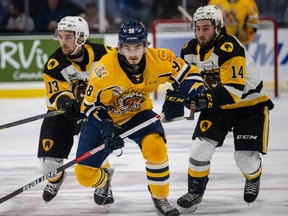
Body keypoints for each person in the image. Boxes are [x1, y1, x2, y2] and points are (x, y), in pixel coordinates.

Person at [74, 20, 203, 216]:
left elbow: (192, 76)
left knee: (156, 148)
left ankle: (160, 197)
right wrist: (106, 125)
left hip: (139, 115)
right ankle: (104, 179)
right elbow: (89, 106)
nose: (133, 53)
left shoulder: (160, 58)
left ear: (146, 46)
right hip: (106, 118)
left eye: (137, 47)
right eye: (127, 47)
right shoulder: (104, 70)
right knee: (83, 175)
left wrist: (183, 95)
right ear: (120, 47)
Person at [173, 5, 274, 214]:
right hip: (217, 105)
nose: (201, 33)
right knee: (199, 148)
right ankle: (195, 191)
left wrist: (203, 99)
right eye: (198, 28)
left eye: (206, 28)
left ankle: (253, 177)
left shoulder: (230, 47)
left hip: (249, 106)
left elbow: (234, 91)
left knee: (244, 159)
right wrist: (181, 98)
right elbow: (185, 82)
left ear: (218, 28)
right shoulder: (188, 50)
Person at [37, 16, 114, 203]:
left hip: (91, 111)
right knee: (47, 165)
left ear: (81, 37)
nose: (63, 42)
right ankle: (56, 179)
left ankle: (104, 181)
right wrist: (66, 102)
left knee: (95, 156)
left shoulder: (105, 54)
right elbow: (56, 92)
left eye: (68, 37)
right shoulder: (54, 63)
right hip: (62, 112)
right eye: (61, 36)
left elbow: (123, 69)